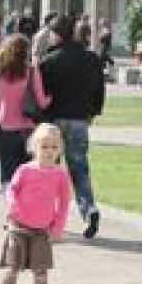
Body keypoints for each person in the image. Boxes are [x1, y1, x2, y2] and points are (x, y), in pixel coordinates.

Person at [39, 16, 105, 239]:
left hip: (55, 120)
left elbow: (43, 95)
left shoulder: (50, 60)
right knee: (80, 169)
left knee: (50, 170)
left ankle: (48, 217)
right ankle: (89, 209)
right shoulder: (91, 59)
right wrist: (93, 111)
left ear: (57, 34)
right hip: (79, 119)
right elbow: (98, 90)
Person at [0, 124, 72, 284]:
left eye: (54, 147)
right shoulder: (25, 170)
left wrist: (58, 227)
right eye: (44, 146)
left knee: (41, 270)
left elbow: (64, 202)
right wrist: (13, 206)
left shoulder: (60, 174)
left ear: (60, 149)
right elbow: (11, 190)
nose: (49, 151)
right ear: (34, 147)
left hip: (42, 230)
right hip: (18, 227)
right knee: (13, 266)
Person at [0, 34, 50, 188]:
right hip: (27, 127)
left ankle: (13, 206)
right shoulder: (31, 70)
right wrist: (51, 98)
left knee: (7, 175)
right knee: (28, 174)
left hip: (4, 126)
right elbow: (42, 102)